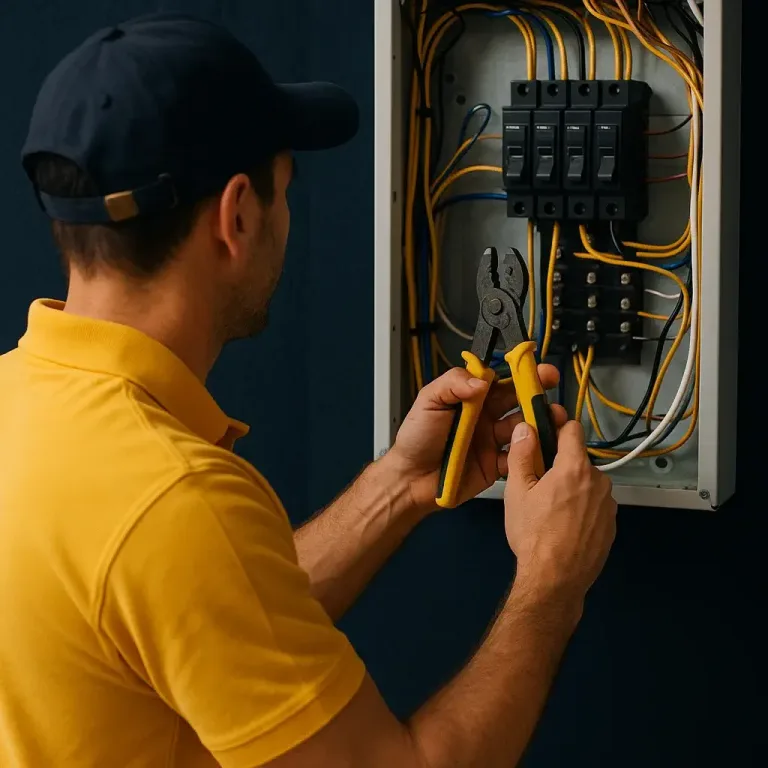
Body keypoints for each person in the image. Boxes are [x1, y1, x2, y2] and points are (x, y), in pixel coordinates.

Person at [0, 12, 617, 768]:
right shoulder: (173, 501)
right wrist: (552, 585)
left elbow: (213, 605)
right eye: (284, 190)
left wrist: (401, 483)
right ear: (236, 215)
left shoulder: (21, 404)